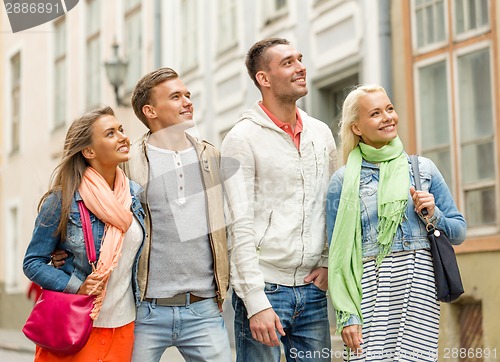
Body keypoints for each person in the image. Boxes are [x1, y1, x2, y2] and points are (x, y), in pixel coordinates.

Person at [326, 84, 467, 361]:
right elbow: (338, 255)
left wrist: (433, 213)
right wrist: (348, 316)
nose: (388, 117)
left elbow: (459, 231)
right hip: (370, 291)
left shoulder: (422, 169)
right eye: (376, 113)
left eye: (389, 109)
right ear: (356, 128)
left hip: (419, 287)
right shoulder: (342, 181)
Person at [220, 38, 337, 361]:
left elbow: (328, 204)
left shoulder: (320, 133)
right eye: (288, 62)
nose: (301, 67)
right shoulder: (241, 139)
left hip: (313, 289)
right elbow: (238, 224)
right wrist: (255, 301)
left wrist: (326, 260)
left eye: (300, 59)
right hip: (266, 288)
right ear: (264, 78)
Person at [123, 67, 231, 362]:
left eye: (187, 95)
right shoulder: (128, 162)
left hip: (203, 308)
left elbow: (228, 226)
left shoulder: (211, 156)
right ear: (150, 111)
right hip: (144, 308)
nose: (187, 102)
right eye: (175, 97)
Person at [23, 106, 146, 361]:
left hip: (123, 326)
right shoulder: (63, 199)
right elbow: (32, 262)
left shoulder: (135, 196)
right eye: (110, 133)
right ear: (89, 151)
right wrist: (75, 286)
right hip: (75, 323)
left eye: (121, 130)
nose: (123, 137)